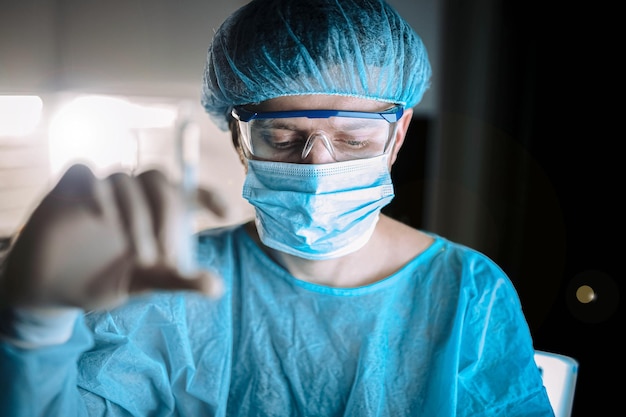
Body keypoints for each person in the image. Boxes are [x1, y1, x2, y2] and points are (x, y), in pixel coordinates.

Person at [0, 0, 555, 415]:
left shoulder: (468, 295)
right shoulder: (167, 289)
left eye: (355, 141)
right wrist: (35, 328)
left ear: (400, 131)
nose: (318, 166)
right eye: (284, 138)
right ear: (239, 137)